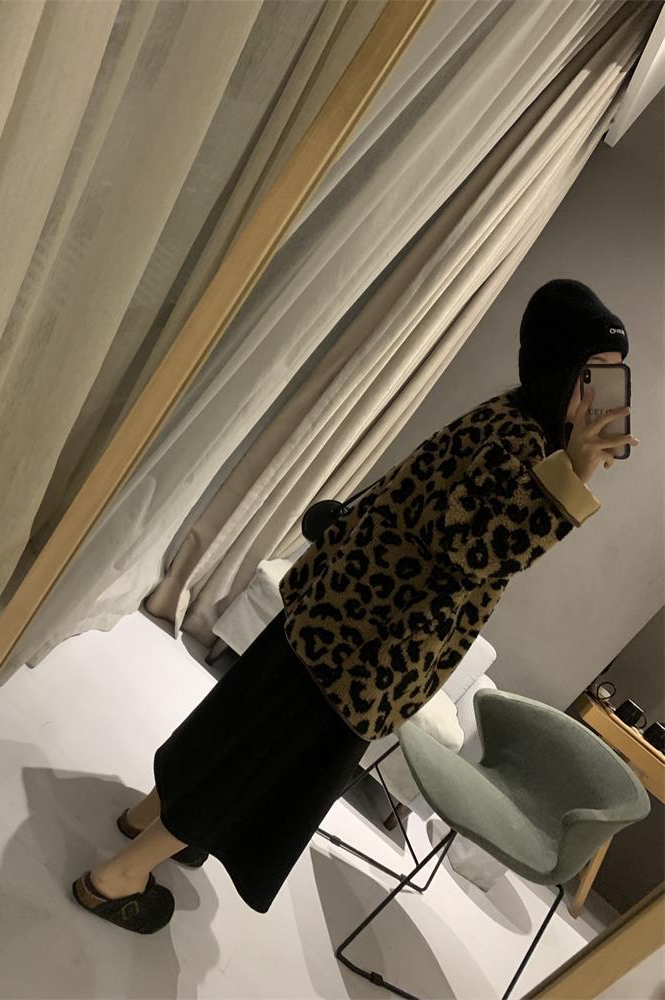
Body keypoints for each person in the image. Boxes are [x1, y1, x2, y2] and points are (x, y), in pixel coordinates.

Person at [72, 278, 638, 933]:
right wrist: (575, 477)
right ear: (558, 369)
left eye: (614, 377)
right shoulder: (521, 444)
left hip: (338, 613)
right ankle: (118, 879)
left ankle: (148, 816)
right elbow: (476, 548)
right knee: (259, 763)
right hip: (368, 649)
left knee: (239, 725)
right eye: (593, 375)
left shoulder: (510, 419)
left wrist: (567, 467)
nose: (602, 397)